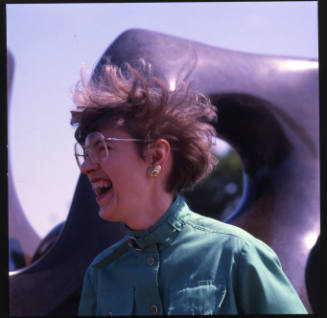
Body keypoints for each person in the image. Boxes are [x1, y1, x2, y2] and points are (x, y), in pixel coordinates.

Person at [71, 61, 307, 315]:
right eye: (85, 153)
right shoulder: (101, 275)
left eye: (101, 148)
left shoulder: (237, 254)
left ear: (156, 156)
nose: (86, 167)